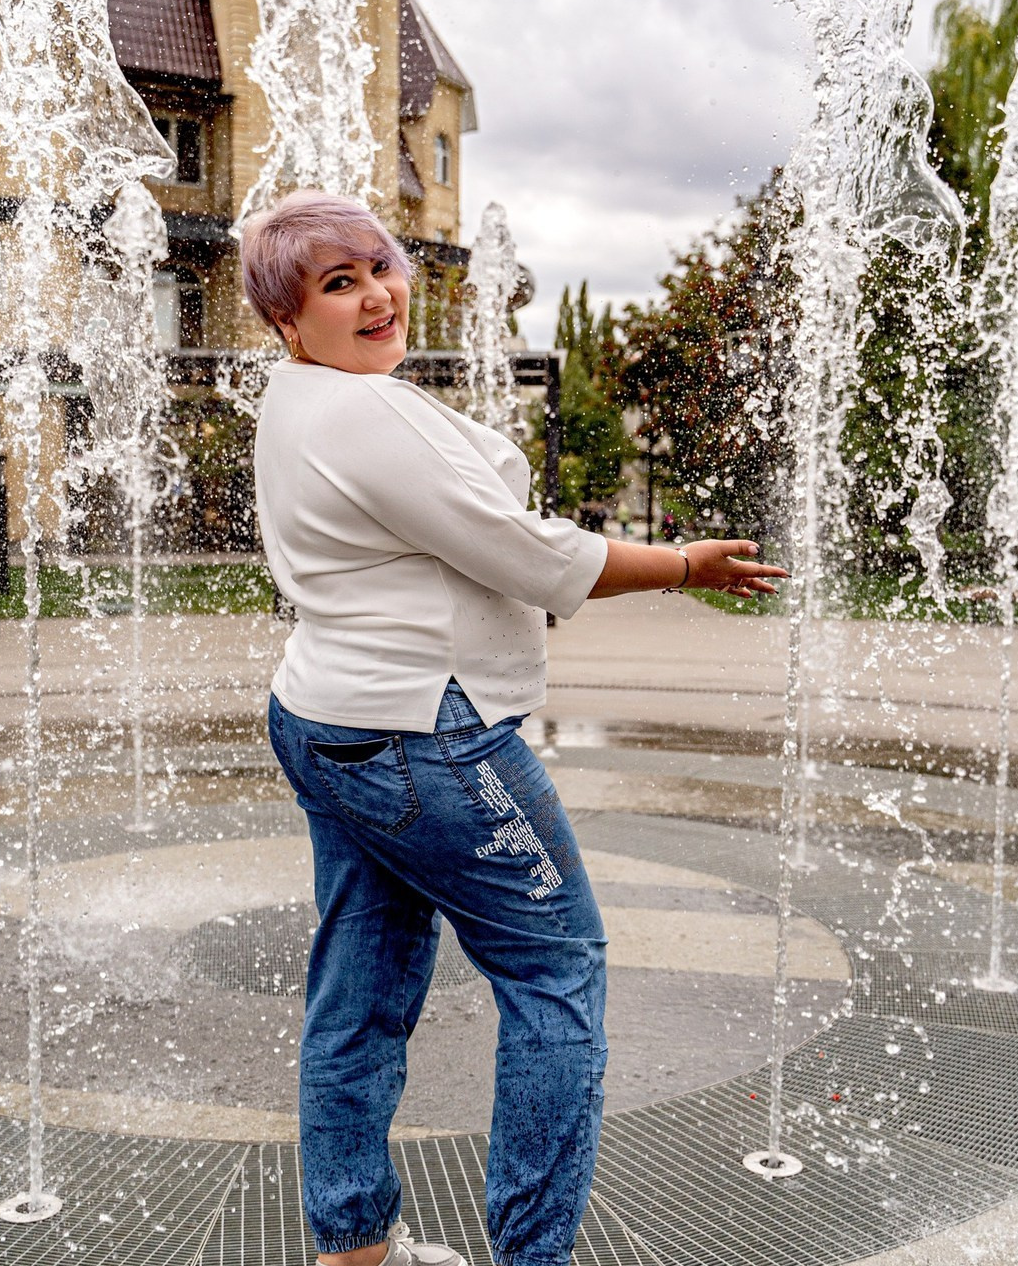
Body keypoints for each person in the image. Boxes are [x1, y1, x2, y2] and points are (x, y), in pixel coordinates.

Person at [241, 191, 787, 1266]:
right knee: (555, 970)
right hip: (421, 735)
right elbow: (530, 557)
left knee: (360, 987)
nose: (377, 295)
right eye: (339, 284)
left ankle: (352, 1242)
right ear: (287, 320)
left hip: (324, 716)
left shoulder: (296, 399)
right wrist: (683, 564)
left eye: (381, 267)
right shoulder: (360, 413)